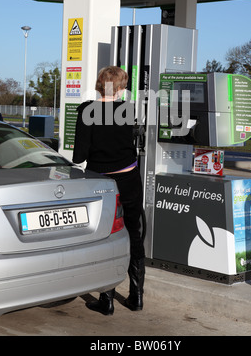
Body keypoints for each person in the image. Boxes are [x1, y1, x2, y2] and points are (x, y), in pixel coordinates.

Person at [73, 66, 145, 315]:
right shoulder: (129, 110)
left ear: (99, 84)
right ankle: (136, 297)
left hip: (101, 183)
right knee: (133, 233)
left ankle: (107, 300)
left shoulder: (86, 110)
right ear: (122, 88)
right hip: (129, 178)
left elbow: (79, 155)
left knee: (106, 236)